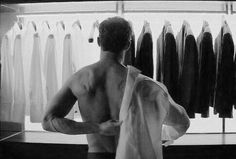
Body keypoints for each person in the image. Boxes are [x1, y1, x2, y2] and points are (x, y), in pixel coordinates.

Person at [42, 17, 190, 157]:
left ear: (99, 41)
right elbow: (182, 122)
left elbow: (48, 121)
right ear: (128, 44)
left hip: (97, 155)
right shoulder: (146, 86)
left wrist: (98, 128)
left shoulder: (80, 79)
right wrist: (159, 133)